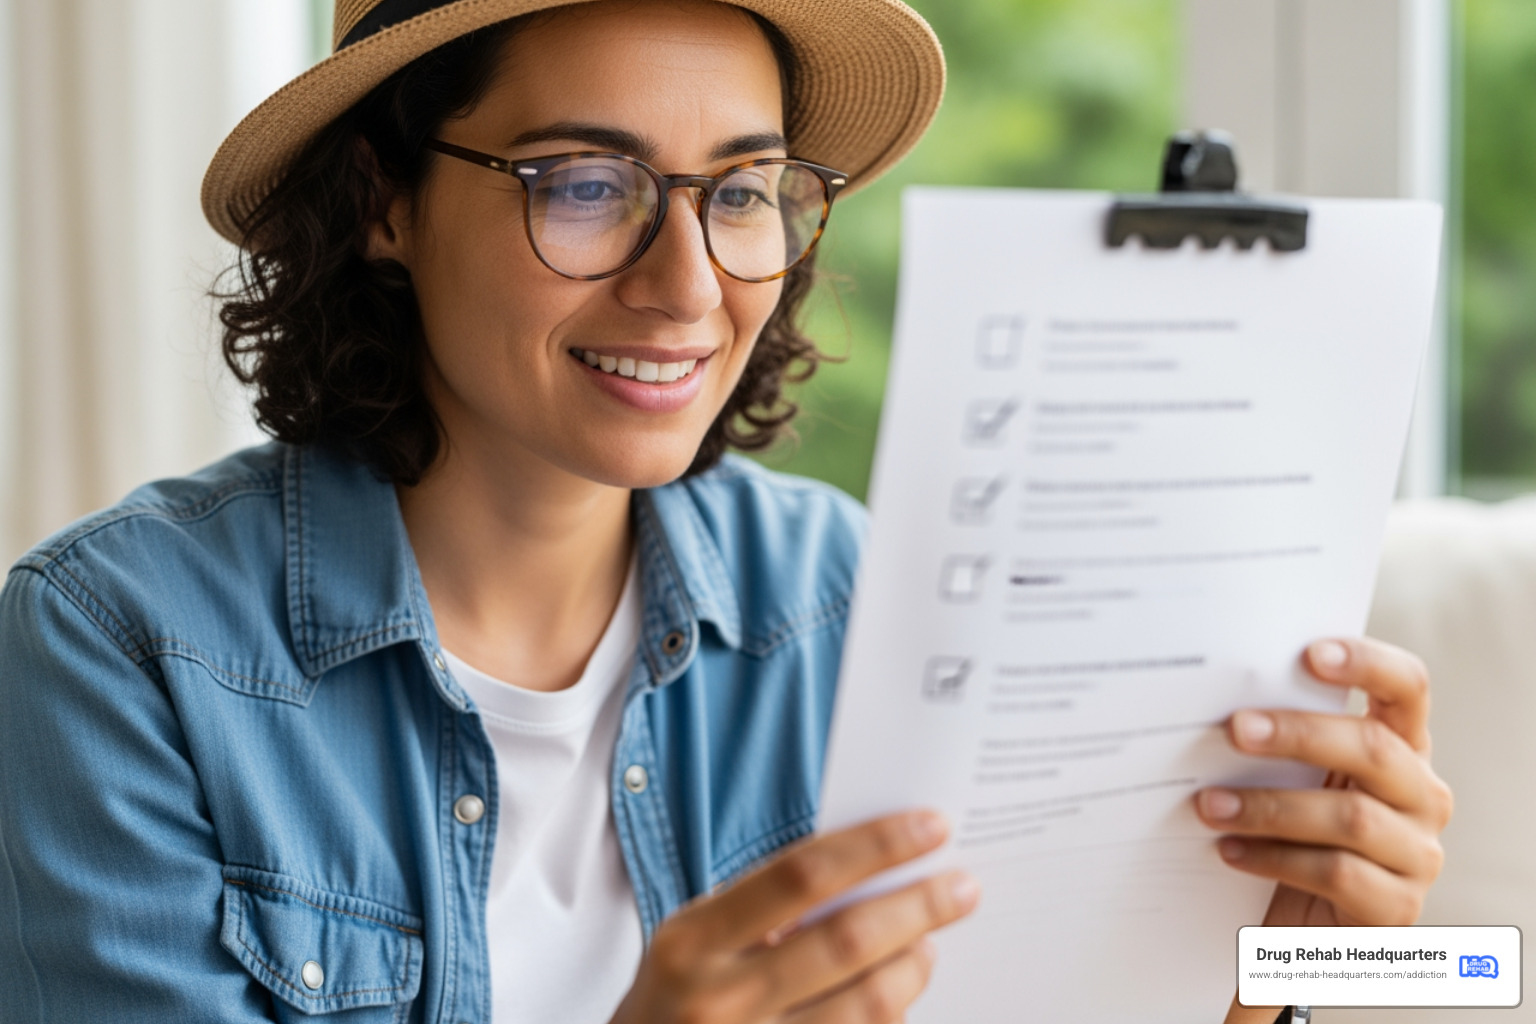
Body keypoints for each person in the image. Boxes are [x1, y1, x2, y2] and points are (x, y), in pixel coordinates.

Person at [0, 1, 1451, 1022]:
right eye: (585, 184)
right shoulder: (115, 649)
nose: (688, 285)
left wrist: (1245, 982)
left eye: (744, 192)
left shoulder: (860, 603)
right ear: (382, 200)